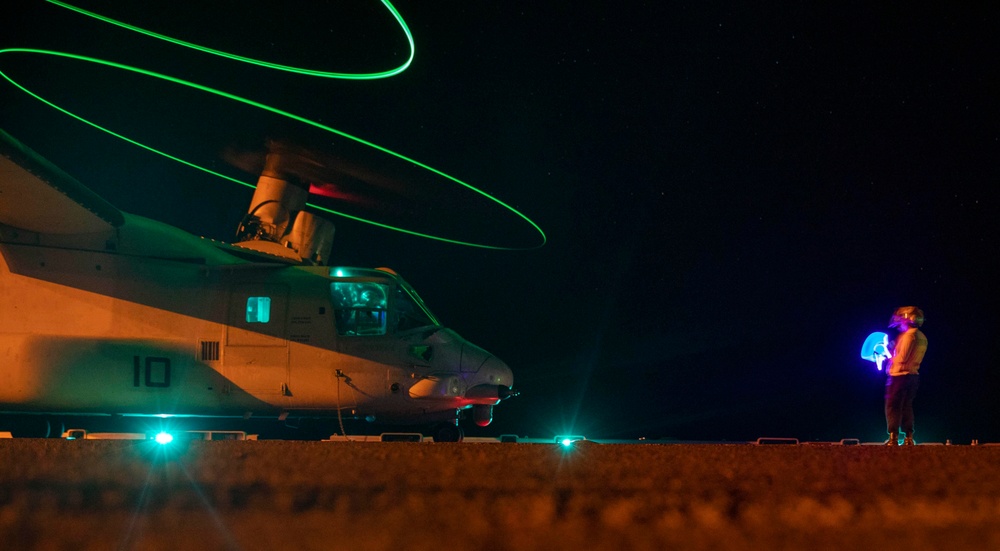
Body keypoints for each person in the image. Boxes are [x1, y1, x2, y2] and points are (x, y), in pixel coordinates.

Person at [884, 306, 928, 446]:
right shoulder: (922, 336)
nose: (899, 321)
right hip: (913, 376)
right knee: (907, 406)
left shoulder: (909, 335)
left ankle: (893, 438)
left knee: (893, 406)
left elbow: (902, 358)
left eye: (902, 317)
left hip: (900, 376)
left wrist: (889, 357)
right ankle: (909, 437)